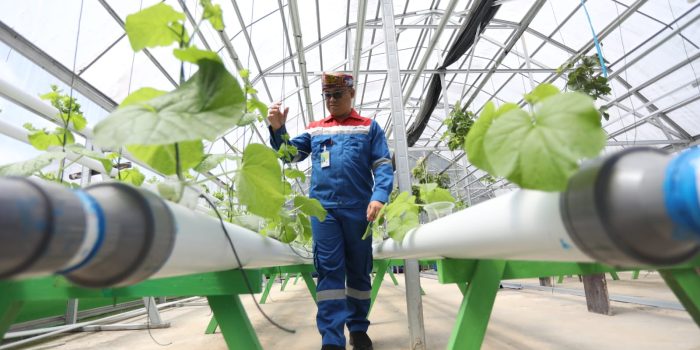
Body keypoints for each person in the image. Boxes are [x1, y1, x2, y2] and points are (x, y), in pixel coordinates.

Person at [267, 72, 393, 350]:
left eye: (337, 95)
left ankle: (358, 329)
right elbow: (289, 155)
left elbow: (382, 164)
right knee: (330, 271)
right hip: (324, 212)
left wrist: (380, 196)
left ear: (352, 94)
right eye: (327, 96)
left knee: (359, 271)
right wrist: (278, 130)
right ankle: (331, 338)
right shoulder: (315, 129)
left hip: (360, 210)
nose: (331, 100)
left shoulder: (369, 127)